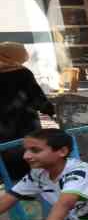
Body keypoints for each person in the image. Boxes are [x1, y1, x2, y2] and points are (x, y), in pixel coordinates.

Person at [0, 42, 54, 184]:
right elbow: (38, 99)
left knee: (9, 169)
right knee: (32, 161)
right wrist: (50, 111)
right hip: (26, 126)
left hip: (3, 132)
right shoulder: (22, 73)